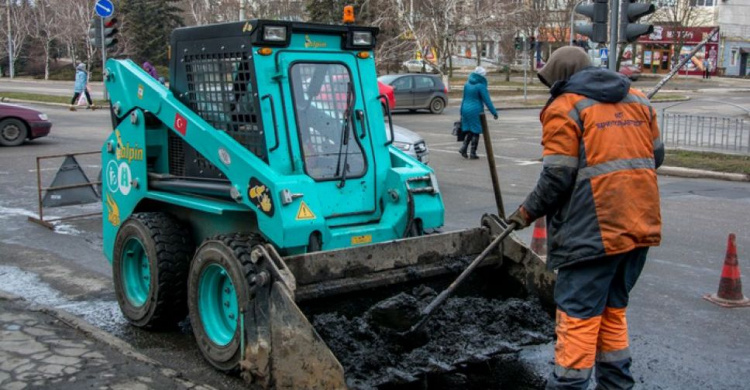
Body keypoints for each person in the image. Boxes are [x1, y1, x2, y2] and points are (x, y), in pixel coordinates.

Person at [506, 46, 663, 390]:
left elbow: (556, 179)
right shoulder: (638, 99)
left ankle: (568, 385)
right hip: (640, 226)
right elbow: (657, 156)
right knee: (611, 310)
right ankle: (616, 384)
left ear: (561, 77)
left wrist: (523, 213)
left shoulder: (565, 108)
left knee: (577, 316)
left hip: (593, 232)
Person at [459, 66, 498, 159]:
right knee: (476, 131)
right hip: (475, 110)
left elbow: (463, 98)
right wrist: (494, 112)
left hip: (465, 109)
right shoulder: (480, 86)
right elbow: (487, 100)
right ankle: (473, 153)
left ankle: (464, 148)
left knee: (469, 130)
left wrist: (461, 111)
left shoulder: (467, 84)